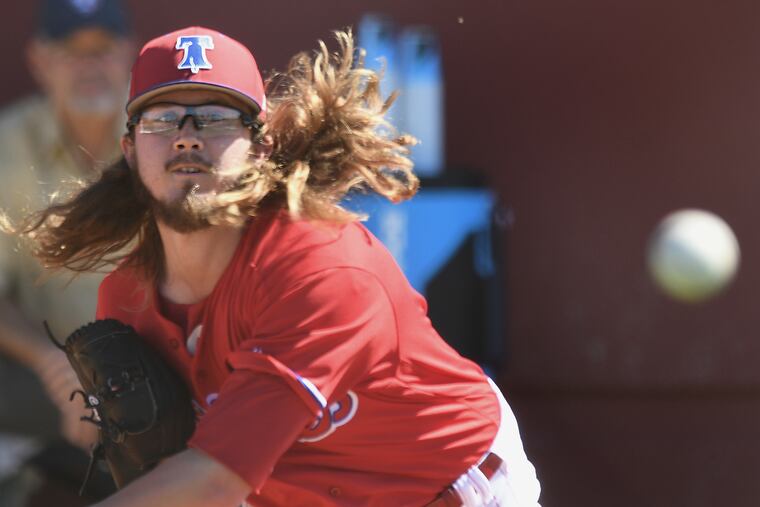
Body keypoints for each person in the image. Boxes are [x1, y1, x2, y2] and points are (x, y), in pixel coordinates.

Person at [14, 25, 542, 506]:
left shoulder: (320, 269)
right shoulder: (128, 297)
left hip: (454, 485)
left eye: (218, 118)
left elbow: (216, 481)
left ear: (261, 147)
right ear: (129, 150)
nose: (188, 134)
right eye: (163, 118)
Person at [0, 0, 133, 504]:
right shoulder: (7, 145)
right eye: (69, 51)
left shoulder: (160, 136)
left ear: (127, 54)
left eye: (101, 49)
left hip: (154, 368)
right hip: (50, 374)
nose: (89, 66)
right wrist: (54, 365)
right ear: (38, 59)